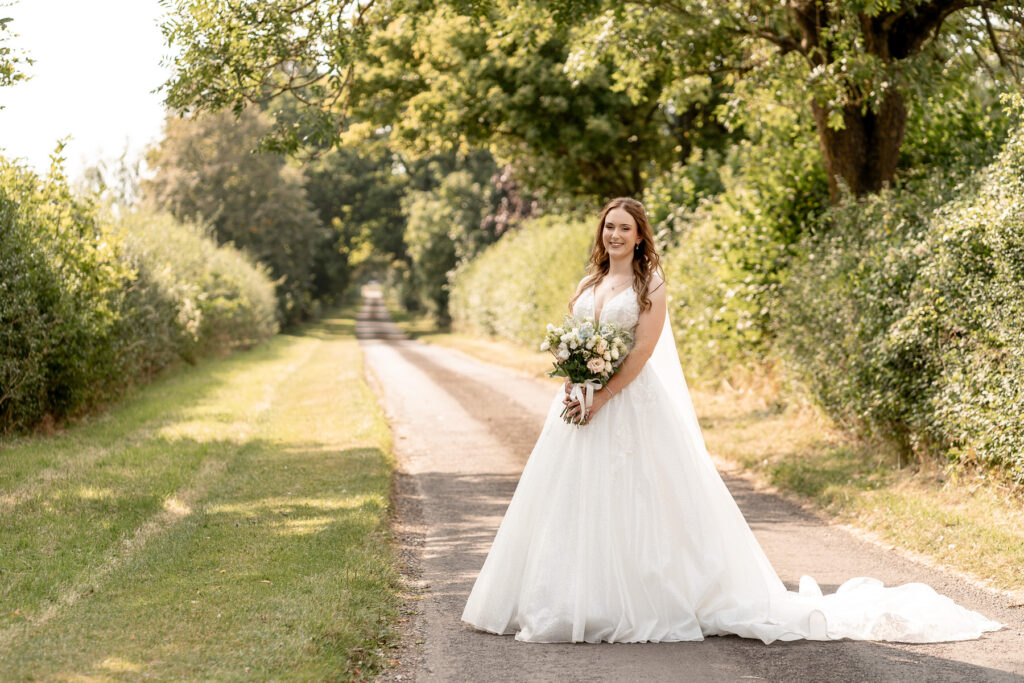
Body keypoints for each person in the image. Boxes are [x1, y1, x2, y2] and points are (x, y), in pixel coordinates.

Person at [460, 197, 1004, 644]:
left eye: (625, 228)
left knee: (642, 498)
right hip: (577, 406)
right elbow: (573, 345)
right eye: (609, 228)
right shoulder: (586, 286)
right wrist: (574, 387)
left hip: (629, 403)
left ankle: (643, 598)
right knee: (571, 501)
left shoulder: (650, 288)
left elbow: (642, 353)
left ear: (641, 235)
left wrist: (602, 397)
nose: (615, 236)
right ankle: (569, 598)